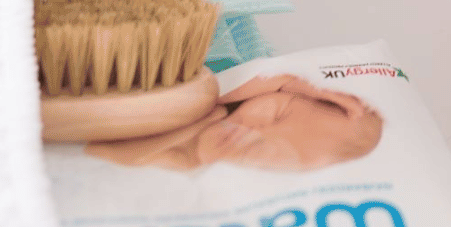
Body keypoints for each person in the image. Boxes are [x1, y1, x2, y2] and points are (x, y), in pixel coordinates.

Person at [85, 74, 384, 171]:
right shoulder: (219, 106)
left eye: (268, 150)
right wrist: (303, 85)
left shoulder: (182, 162)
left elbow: (104, 155)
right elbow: (225, 94)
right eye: (276, 115)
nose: (251, 131)